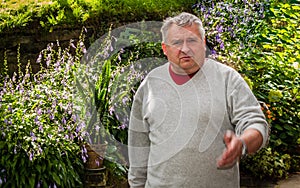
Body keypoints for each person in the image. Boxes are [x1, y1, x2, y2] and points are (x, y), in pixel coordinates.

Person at [128, 12, 269, 187]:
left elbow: (256, 124)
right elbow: (138, 145)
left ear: (203, 44)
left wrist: (242, 143)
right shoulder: (151, 83)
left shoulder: (227, 79)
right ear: (165, 49)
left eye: (192, 40)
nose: (185, 49)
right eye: (177, 42)